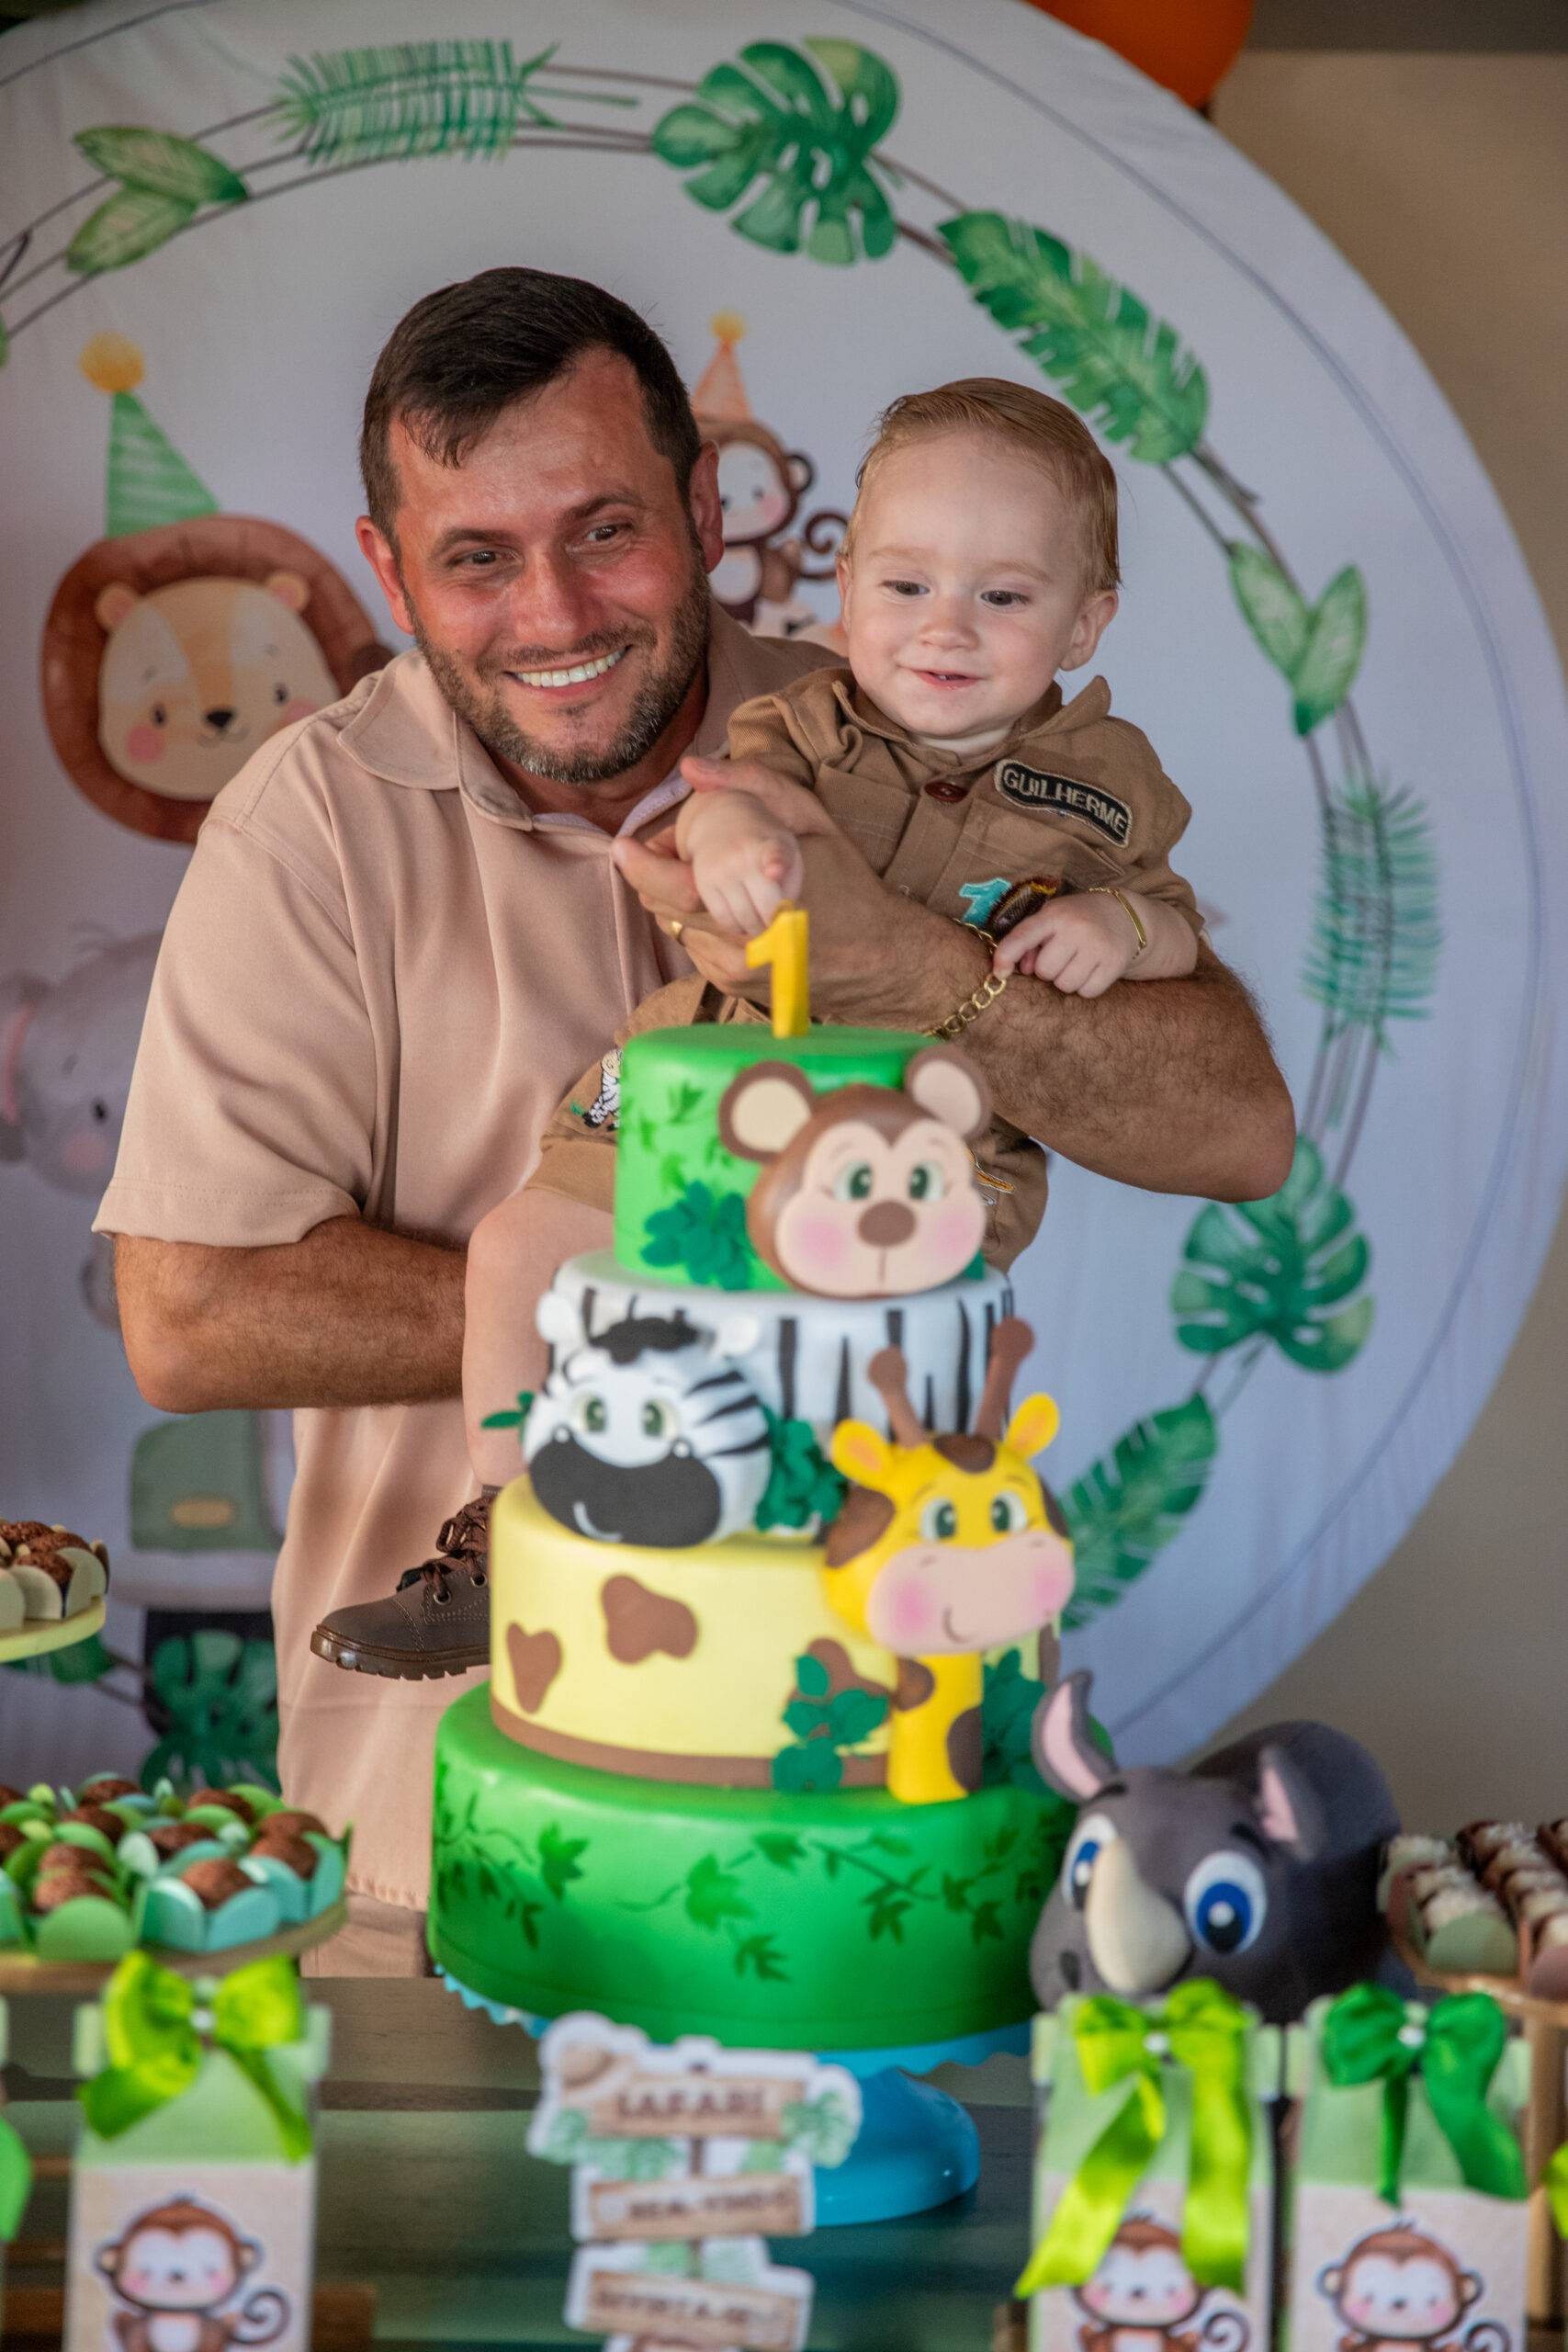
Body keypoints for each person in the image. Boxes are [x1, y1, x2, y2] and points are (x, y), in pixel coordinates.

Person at [100, 268, 1294, 1976]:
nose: (553, 610)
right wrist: (703, 1349)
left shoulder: (907, 720)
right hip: (432, 1841)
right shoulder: (308, 826)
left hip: (848, 1803)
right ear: (388, 569)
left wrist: (919, 970)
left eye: (605, 531)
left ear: (708, 508)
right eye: (477, 557)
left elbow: (1237, 1130)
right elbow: (193, 1314)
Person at [311, 378, 1207, 1679]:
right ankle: (510, 1524)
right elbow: (727, 800)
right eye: (906, 586)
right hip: (716, 1083)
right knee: (517, 1249)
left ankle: (886, 1601)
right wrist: (730, 837)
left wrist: (1122, 930)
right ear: (847, 589)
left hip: (926, 1142)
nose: (945, 627)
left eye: (1004, 597)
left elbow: (1175, 922)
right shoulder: (804, 723)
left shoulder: (1111, 786)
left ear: (1086, 620)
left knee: (840, 1366)